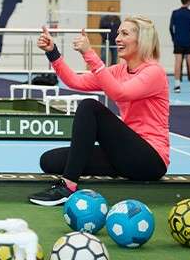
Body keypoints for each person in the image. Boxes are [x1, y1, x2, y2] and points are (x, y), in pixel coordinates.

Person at [27, 18, 169, 206]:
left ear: (142, 40)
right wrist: (53, 52)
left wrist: (89, 53)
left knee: (89, 107)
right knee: (50, 161)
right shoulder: (119, 70)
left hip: (150, 159)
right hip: (125, 154)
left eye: (125, 34)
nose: (118, 38)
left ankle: (68, 187)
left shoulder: (154, 73)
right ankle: (68, 181)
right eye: (118, 33)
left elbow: (120, 93)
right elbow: (75, 82)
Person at [170, 0, 190, 93]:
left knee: (177, 63)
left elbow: (170, 28)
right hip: (188, 41)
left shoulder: (175, 13)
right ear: (189, 1)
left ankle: (177, 86)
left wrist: (174, 39)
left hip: (178, 41)